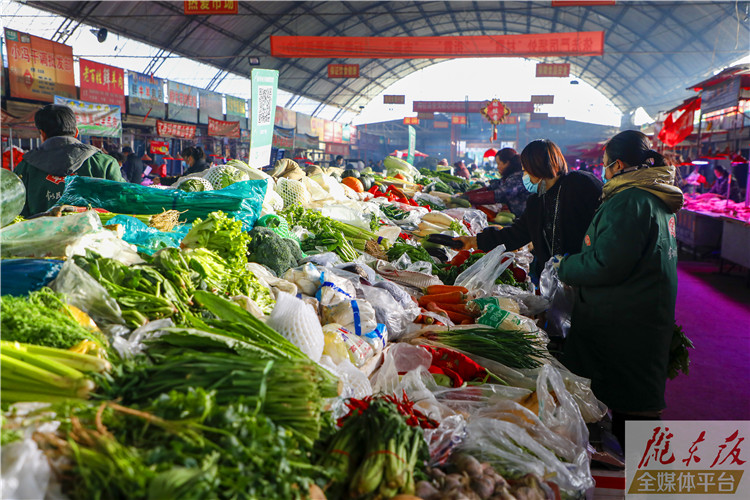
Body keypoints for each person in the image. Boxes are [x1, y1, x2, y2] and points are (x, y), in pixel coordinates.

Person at [556, 130, 684, 449]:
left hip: (624, 320)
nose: (604, 170)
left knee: (634, 411)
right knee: (636, 403)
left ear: (620, 165)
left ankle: (643, 478)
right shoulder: (654, 197)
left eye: (606, 164)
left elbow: (606, 264)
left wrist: (566, 266)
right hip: (642, 312)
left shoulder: (630, 201)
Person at [455, 139, 602, 280]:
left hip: (587, 273)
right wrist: (473, 241)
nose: (524, 176)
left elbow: (603, 221)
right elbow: (515, 235)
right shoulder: (536, 201)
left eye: (526, 171)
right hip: (555, 279)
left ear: (536, 167)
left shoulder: (580, 184)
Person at [14, 104, 125, 216]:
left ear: (42, 134)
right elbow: (122, 205)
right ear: (76, 132)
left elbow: (15, 213)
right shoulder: (105, 163)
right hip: (95, 233)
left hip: (40, 233)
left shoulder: (25, 167)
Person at [465, 148, 530, 217]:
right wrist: (466, 195)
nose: (498, 167)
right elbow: (491, 188)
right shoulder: (510, 176)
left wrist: (468, 198)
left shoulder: (518, 178)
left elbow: (499, 195)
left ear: (507, 163)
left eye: (499, 164)